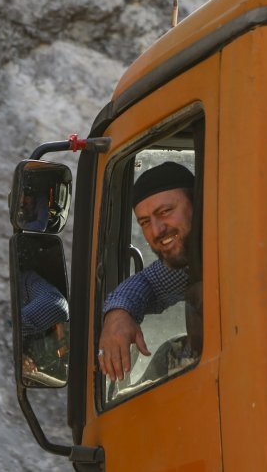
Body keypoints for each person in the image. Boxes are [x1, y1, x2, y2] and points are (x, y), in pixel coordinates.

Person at [98, 161, 198, 381]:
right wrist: (119, 313)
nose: (157, 230)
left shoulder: (238, 253)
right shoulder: (192, 263)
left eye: (165, 212)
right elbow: (149, 283)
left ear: (198, 204)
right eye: (145, 222)